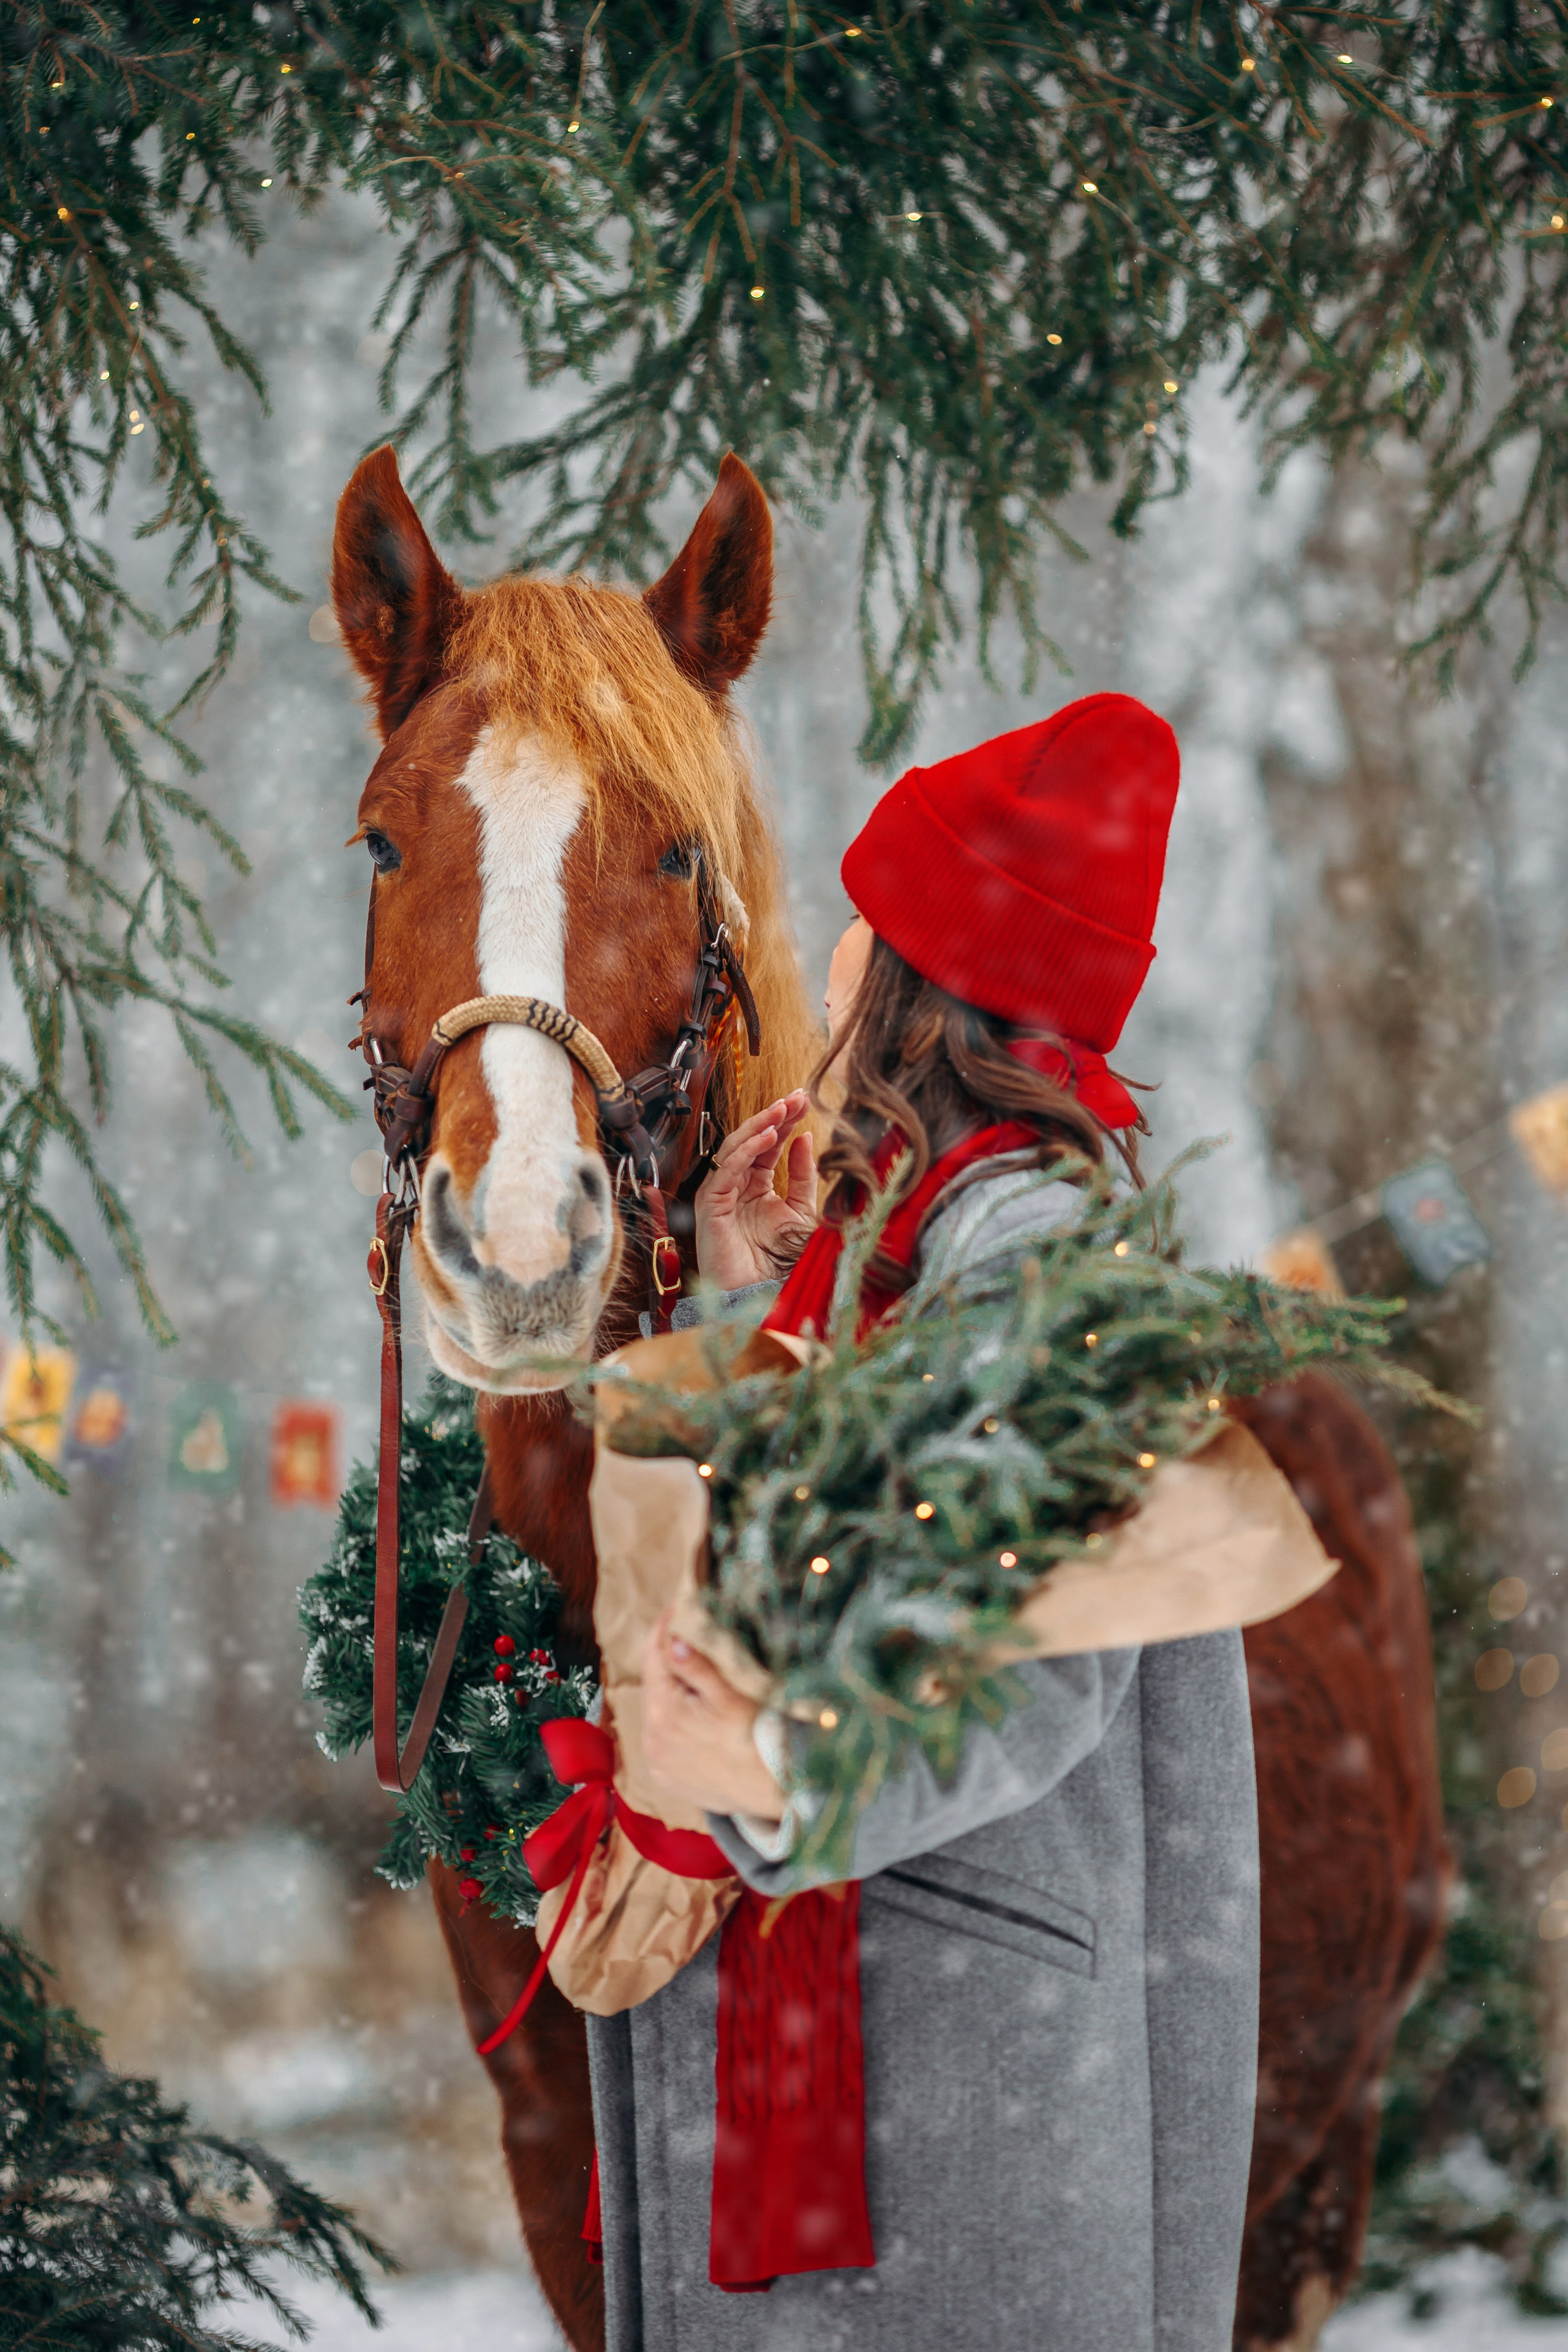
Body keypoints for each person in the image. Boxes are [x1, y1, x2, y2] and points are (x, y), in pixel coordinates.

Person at [587, 693, 1259, 2351]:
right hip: (928, 2052)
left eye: (858, 927)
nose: (823, 965)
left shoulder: (1033, 1252)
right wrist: (750, 1299)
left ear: (913, 977)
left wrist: (783, 1766)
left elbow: (1032, 1669)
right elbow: (822, 1547)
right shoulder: (928, 1247)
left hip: (964, 2073)